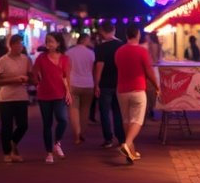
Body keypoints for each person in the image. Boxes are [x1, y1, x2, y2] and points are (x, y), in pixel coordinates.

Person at [115, 24, 160, 163]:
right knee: (137, 120)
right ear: (138, 35)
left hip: (122, 90)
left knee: (127, 120)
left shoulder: (119, 51)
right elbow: (149, 71)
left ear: (126, 35)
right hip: (138, 89)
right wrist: (156, 86)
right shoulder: (142, 51)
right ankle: (127, 144)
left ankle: (131, 153)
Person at [31, 31, 72, 163]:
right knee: (47, 124)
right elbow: (34, 74)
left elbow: (66, 77)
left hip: (59, 93)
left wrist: (68, 92)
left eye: (51, 41)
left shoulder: (65, 58)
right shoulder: (41, 58)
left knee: (63, 119)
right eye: (47, 41)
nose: (49, 44)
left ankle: (57, 143)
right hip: (44, 94)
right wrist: (37, 84)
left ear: (58, 43)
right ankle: (49, 153)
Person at [0, 35, 33, 163]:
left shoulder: (26, 59)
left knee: (23, 125)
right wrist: (13, 80)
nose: (20, 46)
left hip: (21, 96)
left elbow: (31, 77)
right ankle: (7, 153)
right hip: (6, 98)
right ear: (11, 45)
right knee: (7, 126)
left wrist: (28, 79)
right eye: (17, 44)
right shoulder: (3, 61)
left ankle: (12, 143)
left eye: (21, 44)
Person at [93, 20, 126, 149]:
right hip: (119, 83)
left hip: (105, 84)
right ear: (114, 30)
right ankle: (121, 138)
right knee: (118, 112)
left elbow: (99, 66)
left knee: (105, 113)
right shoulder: (122, 45)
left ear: (102, 31)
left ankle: (108, 139)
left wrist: (96, 84)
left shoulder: (101, 48)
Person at [66, 33, 95, 144]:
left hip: (73, 83)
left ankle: (77, 135)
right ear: (85, 40)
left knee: (73, 109)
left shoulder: (69, 53)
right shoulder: (91, 53)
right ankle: (82, 132)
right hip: (88, 83)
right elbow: (92, 69)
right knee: (85, 110)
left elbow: (67, 70)